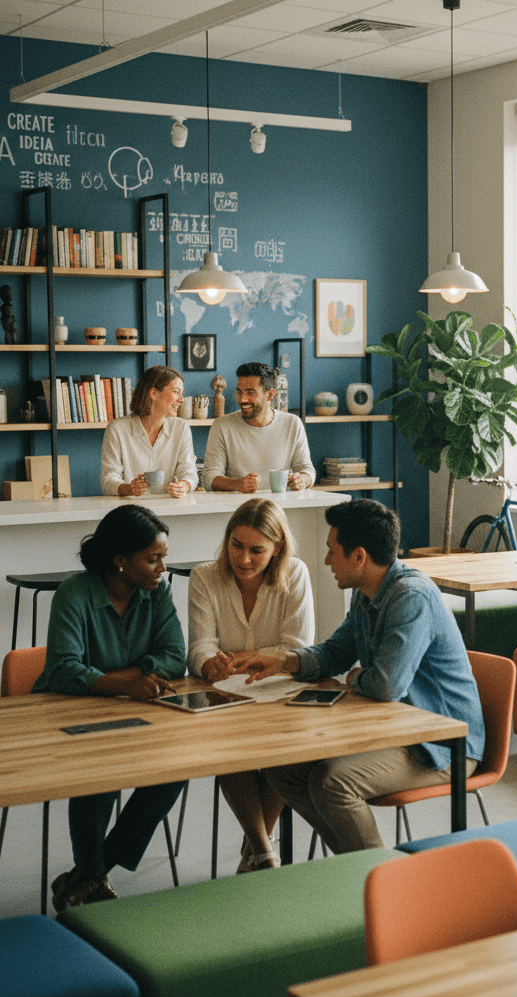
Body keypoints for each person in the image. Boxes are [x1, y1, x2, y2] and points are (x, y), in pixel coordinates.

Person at [234, 499, 485, 853]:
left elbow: (385, 685)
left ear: (359, 557)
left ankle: (382, 878)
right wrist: (284, 662)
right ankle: (353, 862)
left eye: (331, 551)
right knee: (283, 772)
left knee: (332, 783)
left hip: (440, 743)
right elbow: (336, 651)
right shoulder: (367, 595)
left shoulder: (410, 597)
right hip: (396, 729)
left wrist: (354, 680)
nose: (326, 561)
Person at [33, 505, 186, 911]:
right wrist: (128, 683)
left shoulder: (157, 593)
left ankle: (89, 876)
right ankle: (91, 876)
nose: (161, 568)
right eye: (153, 559)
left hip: (130, 712)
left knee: (173, 774)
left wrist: (129, 679)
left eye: (163, 558)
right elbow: (64, 671)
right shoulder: (74, 594)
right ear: (120, 561)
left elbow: (175, 656)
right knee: (98, 774)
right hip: (64, 713)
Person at [187, 498, 314, 871]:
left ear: (277, 551)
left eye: (257, 550)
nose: (243, 559)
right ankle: (263, 850)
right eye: (236, 546)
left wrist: (257, 655)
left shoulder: (297, 574)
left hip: (279, 692)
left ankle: (258, 851)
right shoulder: (204, 576)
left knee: (285, 750)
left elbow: (297, 649)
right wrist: (208, 662)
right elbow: (200, 643)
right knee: (229, 749)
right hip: (226, 692)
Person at [201, 362, 315, 493]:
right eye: (239, 392)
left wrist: (302, 480)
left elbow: (307, 471)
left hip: (280, 508)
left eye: (250, 393)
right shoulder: (222, 425)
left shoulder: (292, 423)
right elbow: (209, 479)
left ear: (270, 395)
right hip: (237, 509)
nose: (242, 399)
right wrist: (236, 484)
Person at [100, 365, 198, 497]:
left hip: (171, 507)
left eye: (181, 393)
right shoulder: (117, 428)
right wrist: (129, 489)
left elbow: (189, 471)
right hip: (130, 509)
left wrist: (184, 485)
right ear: (154, 394)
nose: (181, 399)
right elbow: (108, 479)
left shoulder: (181, 427)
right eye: (176, 392)